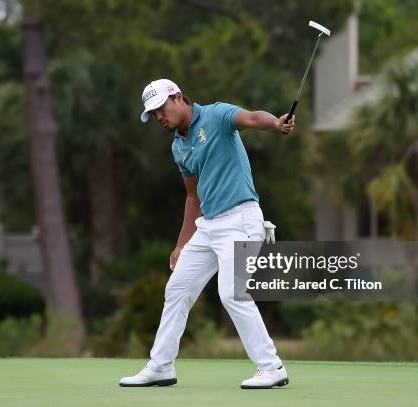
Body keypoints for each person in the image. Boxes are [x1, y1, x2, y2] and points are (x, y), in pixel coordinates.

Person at [119, 79, 295, 389]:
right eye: (153, 113)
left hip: (241, 219)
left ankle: (272, 367)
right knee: (177, 290)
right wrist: (180, 245)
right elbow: (193, 198)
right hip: (208, 226)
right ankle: (161, 366)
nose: (159, 116)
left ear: (179, 97)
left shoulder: (216, 115)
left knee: (232, 293)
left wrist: (277, 123)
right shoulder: (178, 146)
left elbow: (253, 118)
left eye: (161, 108)